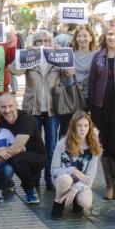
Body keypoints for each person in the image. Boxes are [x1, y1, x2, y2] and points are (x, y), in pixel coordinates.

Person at [10, 29, 72, 191]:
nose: (43, 44)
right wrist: (25, 52)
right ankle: (35, 177)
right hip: (33, 108)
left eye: (47, 41)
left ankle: (50, 178)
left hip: (53, 109)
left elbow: (71, 73)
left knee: (51, 146)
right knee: (34, 146)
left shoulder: (57, 56)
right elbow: (13, 70)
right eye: (40, 41)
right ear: (35, 43)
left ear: (52, 43)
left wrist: (61, 53)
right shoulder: (31, 56)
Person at [88, 19, 115, 201]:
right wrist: (90, 108)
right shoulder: (98, 57)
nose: (113, 37)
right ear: (104, 36)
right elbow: (92, 83)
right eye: (110, 34)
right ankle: (110, 185)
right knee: (104, 148)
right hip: (100, 107)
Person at [49, 111, 101, 220]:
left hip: (81, 183)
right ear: (73, 127)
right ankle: (58, 203)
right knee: (65, 179)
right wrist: (72, 170)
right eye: (79, 125)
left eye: (86, 125)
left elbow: (90, 177)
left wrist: (75, 189)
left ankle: (76, 201)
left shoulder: (93, 146)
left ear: (90, 127)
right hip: (62, 179)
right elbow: (54, 170)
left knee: (86, 201)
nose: (83, 129)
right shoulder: (62, 144)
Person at [0, 93, 46, 204]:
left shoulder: (26, 119)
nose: (7, 110)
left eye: (10, 106)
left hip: (36, 157)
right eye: (3, 107)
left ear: (16, 105)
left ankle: (30, 191)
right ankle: (7, 182)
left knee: (17, 159)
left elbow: (18, 148)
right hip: (11, 155)